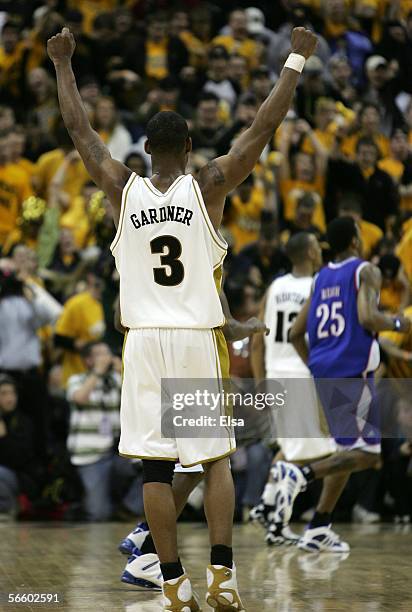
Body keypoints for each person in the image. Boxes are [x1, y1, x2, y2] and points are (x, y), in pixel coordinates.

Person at [47, 25, 317, 611]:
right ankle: (222, 575)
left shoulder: (122, 188)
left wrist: (63, 65)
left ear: (146, 149)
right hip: (197, 339)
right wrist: (295, 56)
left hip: (143, 341)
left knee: (155, 467)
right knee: (215, 459)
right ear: (190, 145)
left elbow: (79, 130)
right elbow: (263, 129)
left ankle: (172, 581)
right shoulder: (209, 186)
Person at [268, 216, 411, 552]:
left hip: (327, 373)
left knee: (350, 450)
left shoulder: (321, 279)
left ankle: (319, 525)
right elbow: (367, 318)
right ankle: (300, 476)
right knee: (367, 455)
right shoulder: (366, 270)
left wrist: (316, 367)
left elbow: (294, 334)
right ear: (356, 241)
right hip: (352, 373)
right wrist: (401, 323)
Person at [250, 233, 336, 545]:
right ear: (312, 251)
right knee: (322, 450)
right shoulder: (319, 285)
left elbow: (257, 338)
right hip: (303, 372)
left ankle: (266, 504)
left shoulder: (274, 288)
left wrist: (261, 383)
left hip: (276, 372)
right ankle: (277, 521)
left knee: (291, 447)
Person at [66, 341, 140, 521]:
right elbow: (80, 398)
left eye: (108, 353)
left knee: (154, 470)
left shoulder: (116, 379)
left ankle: (128, 508)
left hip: (117, 452)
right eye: (100, 354)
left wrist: (123, 372)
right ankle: (85, 505)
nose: (106, 358)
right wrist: (97, 373)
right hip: (90, 456)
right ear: (88, 360)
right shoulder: (77, 380)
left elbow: (138, 398)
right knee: (99, 514)